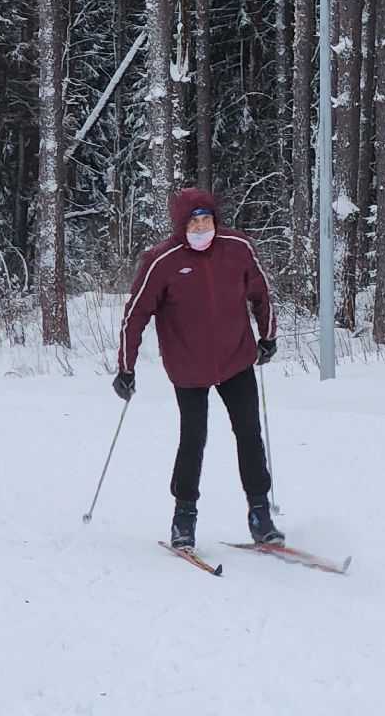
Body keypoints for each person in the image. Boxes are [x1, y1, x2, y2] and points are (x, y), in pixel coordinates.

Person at [114, 187, 283, 550]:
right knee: (193, 440)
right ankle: (183, 520)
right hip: (188, 365)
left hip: (236, 359)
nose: (202, 227)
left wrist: (267, 336)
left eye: (207, 219)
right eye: (195, 221)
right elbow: (136, 314)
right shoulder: (162, 260)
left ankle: (260, 515)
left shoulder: (238, 248)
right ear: (181, 225)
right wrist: (126, 368)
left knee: (250, 435)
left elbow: (261, 293)